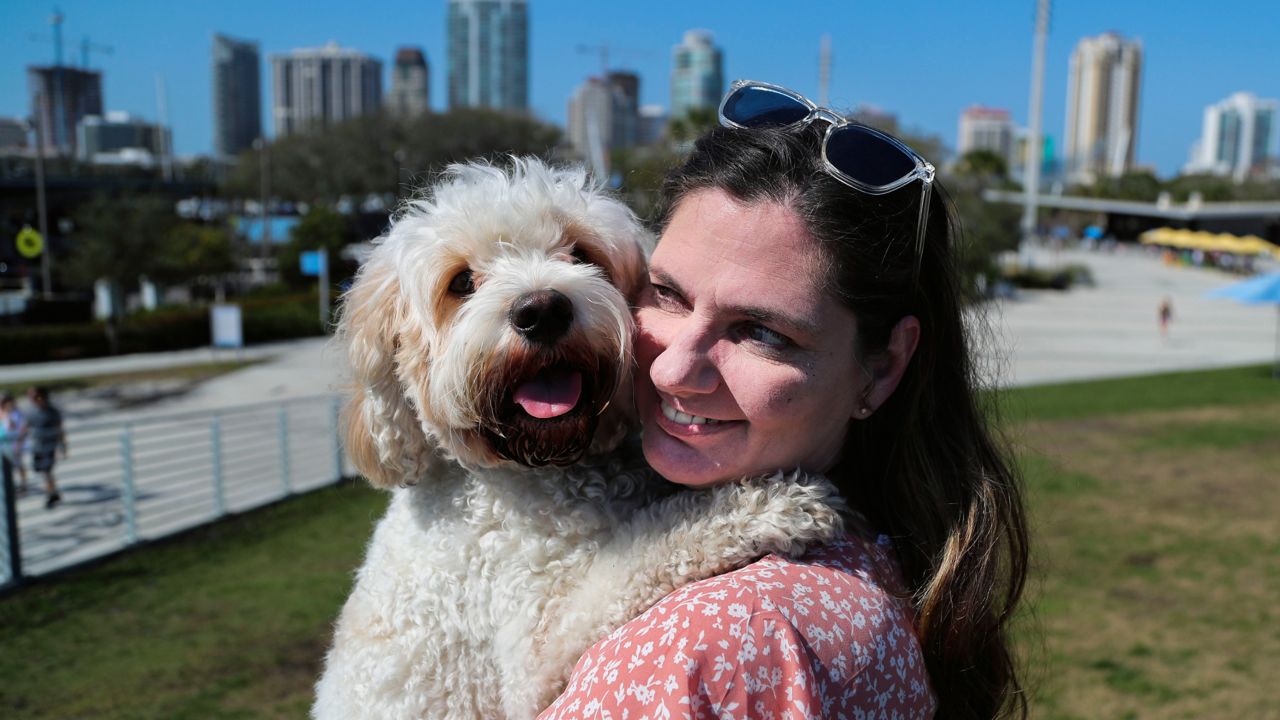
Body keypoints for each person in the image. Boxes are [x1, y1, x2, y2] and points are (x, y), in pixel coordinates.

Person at [539, 81, 1029, 719]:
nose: (674, 371)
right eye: (667, 295)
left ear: (882, 367)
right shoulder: (882, 574)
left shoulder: (713, 647)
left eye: (762, 333)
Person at [26, 386, 66, 509]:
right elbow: (25, 427)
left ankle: (51, 494)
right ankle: (53, 492)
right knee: (40, 470)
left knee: (47, 470)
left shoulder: (52, 412)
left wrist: (63, 446)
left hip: (50, 446)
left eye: (35, 397)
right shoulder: (31, 412)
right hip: (37, 446)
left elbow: (60, 430)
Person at [1, 393, 30, 493]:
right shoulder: (4, 413)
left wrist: (19, 443)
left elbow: (23, 428)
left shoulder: (18, 414)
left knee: (18, 465)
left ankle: (23, 484)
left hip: (16, 444)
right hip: (5, 445)